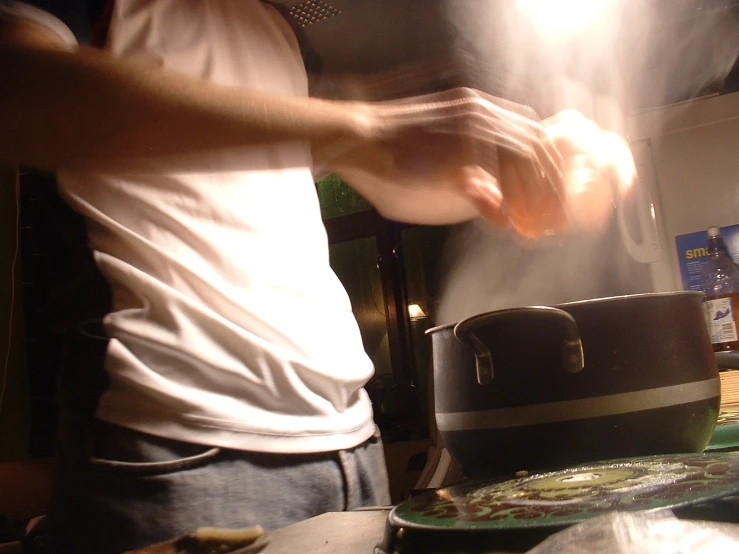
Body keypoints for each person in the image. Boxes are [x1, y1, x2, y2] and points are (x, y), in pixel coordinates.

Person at [0, 1, 635, 552]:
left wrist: (525, 163)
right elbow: (22, 91)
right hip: (177, 448)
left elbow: (383, 171)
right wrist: (367, 127)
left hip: (348, 442)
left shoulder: (270, 20)